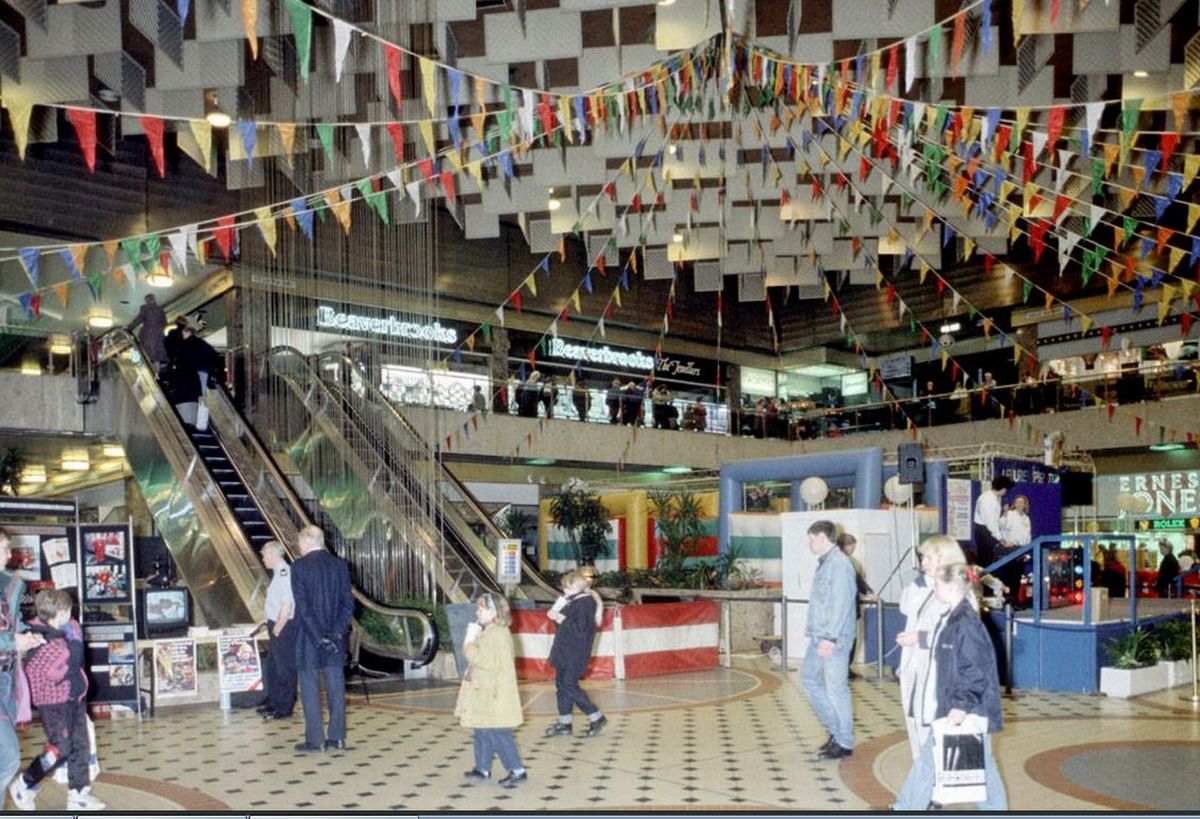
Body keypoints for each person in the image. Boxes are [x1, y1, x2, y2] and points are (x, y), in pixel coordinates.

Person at [893, 563, 1008, 811]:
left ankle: (905, 807)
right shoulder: (954, 618)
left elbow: (976, 669)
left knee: (971, 766)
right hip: (956, 705)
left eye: (937, 584)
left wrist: (960, 706)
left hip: (968, 709)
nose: (933, 589)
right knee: (970, 766)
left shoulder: (966, 623)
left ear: (951, 587)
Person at [8, 590, 105, 811]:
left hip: (73, 698)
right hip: (54, 704)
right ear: (61, 613)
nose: (72, 616)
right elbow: (49, 671)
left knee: (81, 745)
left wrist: (73, 643)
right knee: (60, 748)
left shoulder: (63, 632)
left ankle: (78, 794)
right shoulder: (41, 638)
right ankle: (24, 785)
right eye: (69, 611)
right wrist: (72, 647)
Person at [895, 535, 967, 761]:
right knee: (916, 719)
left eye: (929, 558)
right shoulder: (925, 586)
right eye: (922, 557)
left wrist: (921, 638)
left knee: (932, 723)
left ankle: (930, 780)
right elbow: (906, 607)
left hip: (938, 672)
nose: (923, 562)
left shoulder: (956, 592)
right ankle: (923, 773)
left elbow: (956, 635)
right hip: (916, 665)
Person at [290, 525, 354, 754]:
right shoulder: (340, 566)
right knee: (336, 686)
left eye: (299, 542)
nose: (298, 547)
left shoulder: (298, 567)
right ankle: (337, 738)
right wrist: (335, 633)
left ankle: (315, 739)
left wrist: (318, 637)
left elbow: (303, 607)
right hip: (335, 637)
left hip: (309, 637)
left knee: (309, 686)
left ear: (306, 542)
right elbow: (348, 604)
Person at [801, 520, 858, 760]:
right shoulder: (826, 564)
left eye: (811, 538)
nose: (809, 543)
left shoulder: (839, 564)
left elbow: (842, 604)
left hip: (832, 637)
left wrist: (831, 637)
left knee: (836, 689)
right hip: (820, 635)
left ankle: (843, 741)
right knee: (808, 677)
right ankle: (836, 731)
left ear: (823, 537)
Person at [458, 594, 527, 788]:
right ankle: (482, 767)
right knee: (481, 728)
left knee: (499, 732)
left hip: (496, 693)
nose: (477, 612)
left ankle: (516, 770)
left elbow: (485, 660)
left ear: (494, 612)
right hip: (486, 690)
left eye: (481, 609)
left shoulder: (498, 633)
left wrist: (468, 644)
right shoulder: (489, 631)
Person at [0, 529, 45, 805]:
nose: (9, 553)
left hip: (5, 679)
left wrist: (27, 636)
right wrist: (11, 641)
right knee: (9, 757)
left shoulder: (9, 584)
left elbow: (13, 624)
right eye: (4, 547)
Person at [544, 571, 606, 738]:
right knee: (562, 685)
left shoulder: (585, 603)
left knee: (569, 685)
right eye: (564, 587)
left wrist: (560, 619)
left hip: (574, 652)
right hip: (565, 649)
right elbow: (566, 627)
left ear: (577, 587)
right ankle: (564, 722)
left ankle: (596, 716)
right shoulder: (574, 602)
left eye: (568, 587)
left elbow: (581, 629)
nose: (564, 591)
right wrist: (557, 616)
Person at [259, 542, 296, 721]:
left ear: (273, 555)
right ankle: (274, 701)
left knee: (284, 668)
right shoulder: (277, 574)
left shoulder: (284, 573)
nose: (263, 559)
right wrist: (268, 622)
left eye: (265, 555)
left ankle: (284, 706)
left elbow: (287, 604)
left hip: (284, 626)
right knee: (274, 666)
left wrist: (278, 627)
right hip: (276, 623)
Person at [836, 533, 876, 681]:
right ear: (844, 546)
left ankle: (845, 668)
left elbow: (858, 579)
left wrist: (869, 592)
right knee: (848, 639)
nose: (853, 548)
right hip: (844, 608)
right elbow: (857, 580)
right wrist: (869, 592)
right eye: (851, 545)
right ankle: (843, 669)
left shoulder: (846, 561)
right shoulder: (843, 562)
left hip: (845, 608)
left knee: (849, 639)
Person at [997, 494, 1031, 602]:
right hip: (1009, 549)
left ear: (1025, 505)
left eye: (1021, 502)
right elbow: (1003, 526)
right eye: (1017, 502)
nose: (1019, 504)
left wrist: (1026, 548)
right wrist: (1005, 514)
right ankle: (1006, 599)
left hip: (1020, 549)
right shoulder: (1010, 514)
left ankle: (1014, 599)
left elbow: (1027, 535)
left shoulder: (1026, 518)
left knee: (1017, 575)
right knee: (1008, 575)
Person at [971, 476, 1012, 566]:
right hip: (984, 532)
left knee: (988, 560)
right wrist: (1001, 539)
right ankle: (983, 579)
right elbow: (991, 524)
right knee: (986, 561)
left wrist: (1005, 514)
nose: (1006, 491)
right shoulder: (989, 500)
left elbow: (995, 521)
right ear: (1003, 488)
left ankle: (985, 578)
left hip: (986, 531)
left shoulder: (994, 497)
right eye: (1006, 489)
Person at [128, 293, 169, 372]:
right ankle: (156, 375)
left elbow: (138, 320)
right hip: (160, 337)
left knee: (147, 355)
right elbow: (165, 323)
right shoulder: (160, 309)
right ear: (154, 299)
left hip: (148, 336)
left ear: (146, 300)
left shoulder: (145, 308)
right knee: (157, 358)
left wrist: (129, 327)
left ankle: (150, 375)